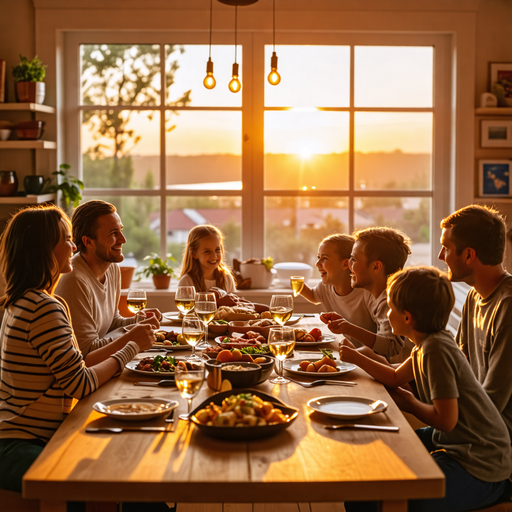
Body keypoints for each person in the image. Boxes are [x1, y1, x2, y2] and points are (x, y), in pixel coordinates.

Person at [0, 206, 155, 494]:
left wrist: (132, 333)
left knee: (127, 466)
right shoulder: (44, 307)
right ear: (44, 249)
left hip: (20, 437)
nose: (73, 246)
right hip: (18, 446)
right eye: (67, 239)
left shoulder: (21, 300)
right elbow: (79, 384)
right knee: (116, 480)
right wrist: (132, 347)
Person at [341, 266, 512, 512]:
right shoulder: (429, 343)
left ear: (408, 317)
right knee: (372, 462)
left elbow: (446, 420)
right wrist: (361, 357)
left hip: (480, 463)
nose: (388, 314)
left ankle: (498, 499)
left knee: (387, 498)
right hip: (458, 442)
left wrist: (410, 403)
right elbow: (395, 376)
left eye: (390, 308)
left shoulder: (436, 351)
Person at [439, 204, 512, 446]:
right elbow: (459, 362)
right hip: (474, 423)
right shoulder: (474, 295)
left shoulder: (508, 306)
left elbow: (492, 400)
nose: (441, 257)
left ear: (469, 255)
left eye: (446, 248)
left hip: (494, 441)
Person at [56, 200, 162, 366]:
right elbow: (87, 354)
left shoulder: (112, 269)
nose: (123, 239)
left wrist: (138, 321)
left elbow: (111, 323)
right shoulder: (75, 281)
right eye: (113, 233)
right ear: (88, 242)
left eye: (121, 230)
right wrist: (132, 336)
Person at [324, 226, 414, 364]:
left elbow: (391, 347)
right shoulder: (381, 296)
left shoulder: (390, 301)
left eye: (353, 260)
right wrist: (345, 325)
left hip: (406, 382)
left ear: (376, 267)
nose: (349, 265)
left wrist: (348, 328)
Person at [299, 233, 376, 346]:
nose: (317, 263)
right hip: (346, 351)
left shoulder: (367, 293)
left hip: (369, 357)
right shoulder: (325, 287)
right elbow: (313, 296)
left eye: (324, 258)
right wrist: (297, 284)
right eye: (318, 257)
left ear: (346, 264)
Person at [179, 224, 237, 294]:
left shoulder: (227, 279)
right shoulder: (187, 281)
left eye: (217, 249)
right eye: (207, 251)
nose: (214, 256)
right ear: (194, 254)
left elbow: (234, 304)